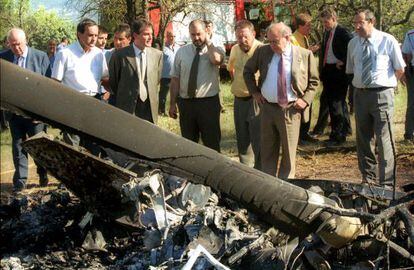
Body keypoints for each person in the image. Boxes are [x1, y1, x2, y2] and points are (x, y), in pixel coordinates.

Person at [244, 22, 318, 179]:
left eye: (274, 41)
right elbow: (247, 71)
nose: (271, 45)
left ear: (287, 38)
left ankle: (286, 186)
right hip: (267, 108)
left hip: (291, 110)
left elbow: (314, 82)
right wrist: (255, 93)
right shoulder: (263, 51)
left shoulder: (304, 55)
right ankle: (268, 184)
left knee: (288, 152)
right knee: (267, 150)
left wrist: (305, 100)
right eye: (269, 40)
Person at [346, 9, 405, 186]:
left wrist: (387, 85)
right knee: (363, 139)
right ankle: (368, 179)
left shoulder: (387, 40)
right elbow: (351, 69)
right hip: (361, 94)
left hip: (382, 94)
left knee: (384, 139)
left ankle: (387, 183)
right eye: (355, 23)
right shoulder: (353, 44)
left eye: (360, 23)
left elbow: (400, 69)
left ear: (371, 21)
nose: (356, 27)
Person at [0, 28, 50, 191]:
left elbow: (48, 87)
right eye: (13, 45)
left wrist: (42, 113)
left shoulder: (40, 57)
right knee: (18, 147)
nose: (17, 48)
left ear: (26, 40)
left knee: (38, 148)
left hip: (35, 115)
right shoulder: (3, 58)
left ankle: (42, 172)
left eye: (19, 44)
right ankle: (20, 180)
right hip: (14, 114)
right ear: (8, 43)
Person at [52, 18, 109, 151]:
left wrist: (108, 94)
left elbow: (105, 78)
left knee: (93, 147)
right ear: (79, 34)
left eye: (96, 35)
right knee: (73, 148)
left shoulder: (99, 54)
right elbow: (55, 83)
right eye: (90, 35)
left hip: (94, 103)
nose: (94, 39)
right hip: (72, 104)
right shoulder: (65, 54)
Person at [169, 20, 225, 152]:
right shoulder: (182, 52)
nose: (196, 38)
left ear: (206, 31)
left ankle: (214, 171)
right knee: (188, 145)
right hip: (186, 104)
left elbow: (216, 60)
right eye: (193, 35)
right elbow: (175, 79)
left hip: (208, 103)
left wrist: (208, 42)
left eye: (199, 34)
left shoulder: (216, 48)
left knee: (212, 144)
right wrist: (172, 103)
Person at [109, 18, 163, 124]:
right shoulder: (120, 55)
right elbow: (114, 82)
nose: (150, 37)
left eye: (151, 34)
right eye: (146, 34)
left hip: (149, 107)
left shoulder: (158, 55)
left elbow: (156, 80)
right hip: (128, 107)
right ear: (135, 35)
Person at [227, 20, 262, 168]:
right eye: (239, 37)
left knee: (259, 140)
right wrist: (237, 83)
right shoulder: (235, 48)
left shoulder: (262, 49)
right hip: (239, 100)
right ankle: (246, 172)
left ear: (253, 34)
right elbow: (231, 68)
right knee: (242, 139)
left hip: (256, 101)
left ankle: (262, 172)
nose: (242, 40)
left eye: (245, 36)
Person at [318, 8, 353, 146]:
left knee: (335, 104)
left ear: (333, 19)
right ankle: (344, 130)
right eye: (323, 22)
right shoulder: (327, 33)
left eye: (326, 22)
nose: (325, 25)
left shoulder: (342, 32)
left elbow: (352, 47)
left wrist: (344, 60)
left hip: (338, 72)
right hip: (329, 71)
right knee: (337, 103)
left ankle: (337, 136)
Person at [290, 13, 320, 144]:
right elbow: (295, 56)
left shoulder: (304, 37)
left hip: (307, 77)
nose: (310, 28)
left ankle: (305, 133)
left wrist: (309, 51)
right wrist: (310, 52)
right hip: (298, 79)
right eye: (307, 25)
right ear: (300, 26)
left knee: (308, 104)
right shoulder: (292, 38)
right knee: (300, 106)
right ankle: (299, 136)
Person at [159, 30, 180, 116]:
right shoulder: (163, 48)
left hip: (177, 76)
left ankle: (176, 110)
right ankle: (161, 111)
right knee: (163, 95)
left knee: (178, 94)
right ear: (166, 37)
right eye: (171, 36)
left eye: (174, 36)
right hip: (166, 76)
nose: (172, 38)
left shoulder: (178, 48)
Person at [402, 29, 414, 142]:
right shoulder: (410, 34)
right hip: (413, 71)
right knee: (412, 103)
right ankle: (409, 133)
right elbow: (406, 54)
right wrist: (404, 72)